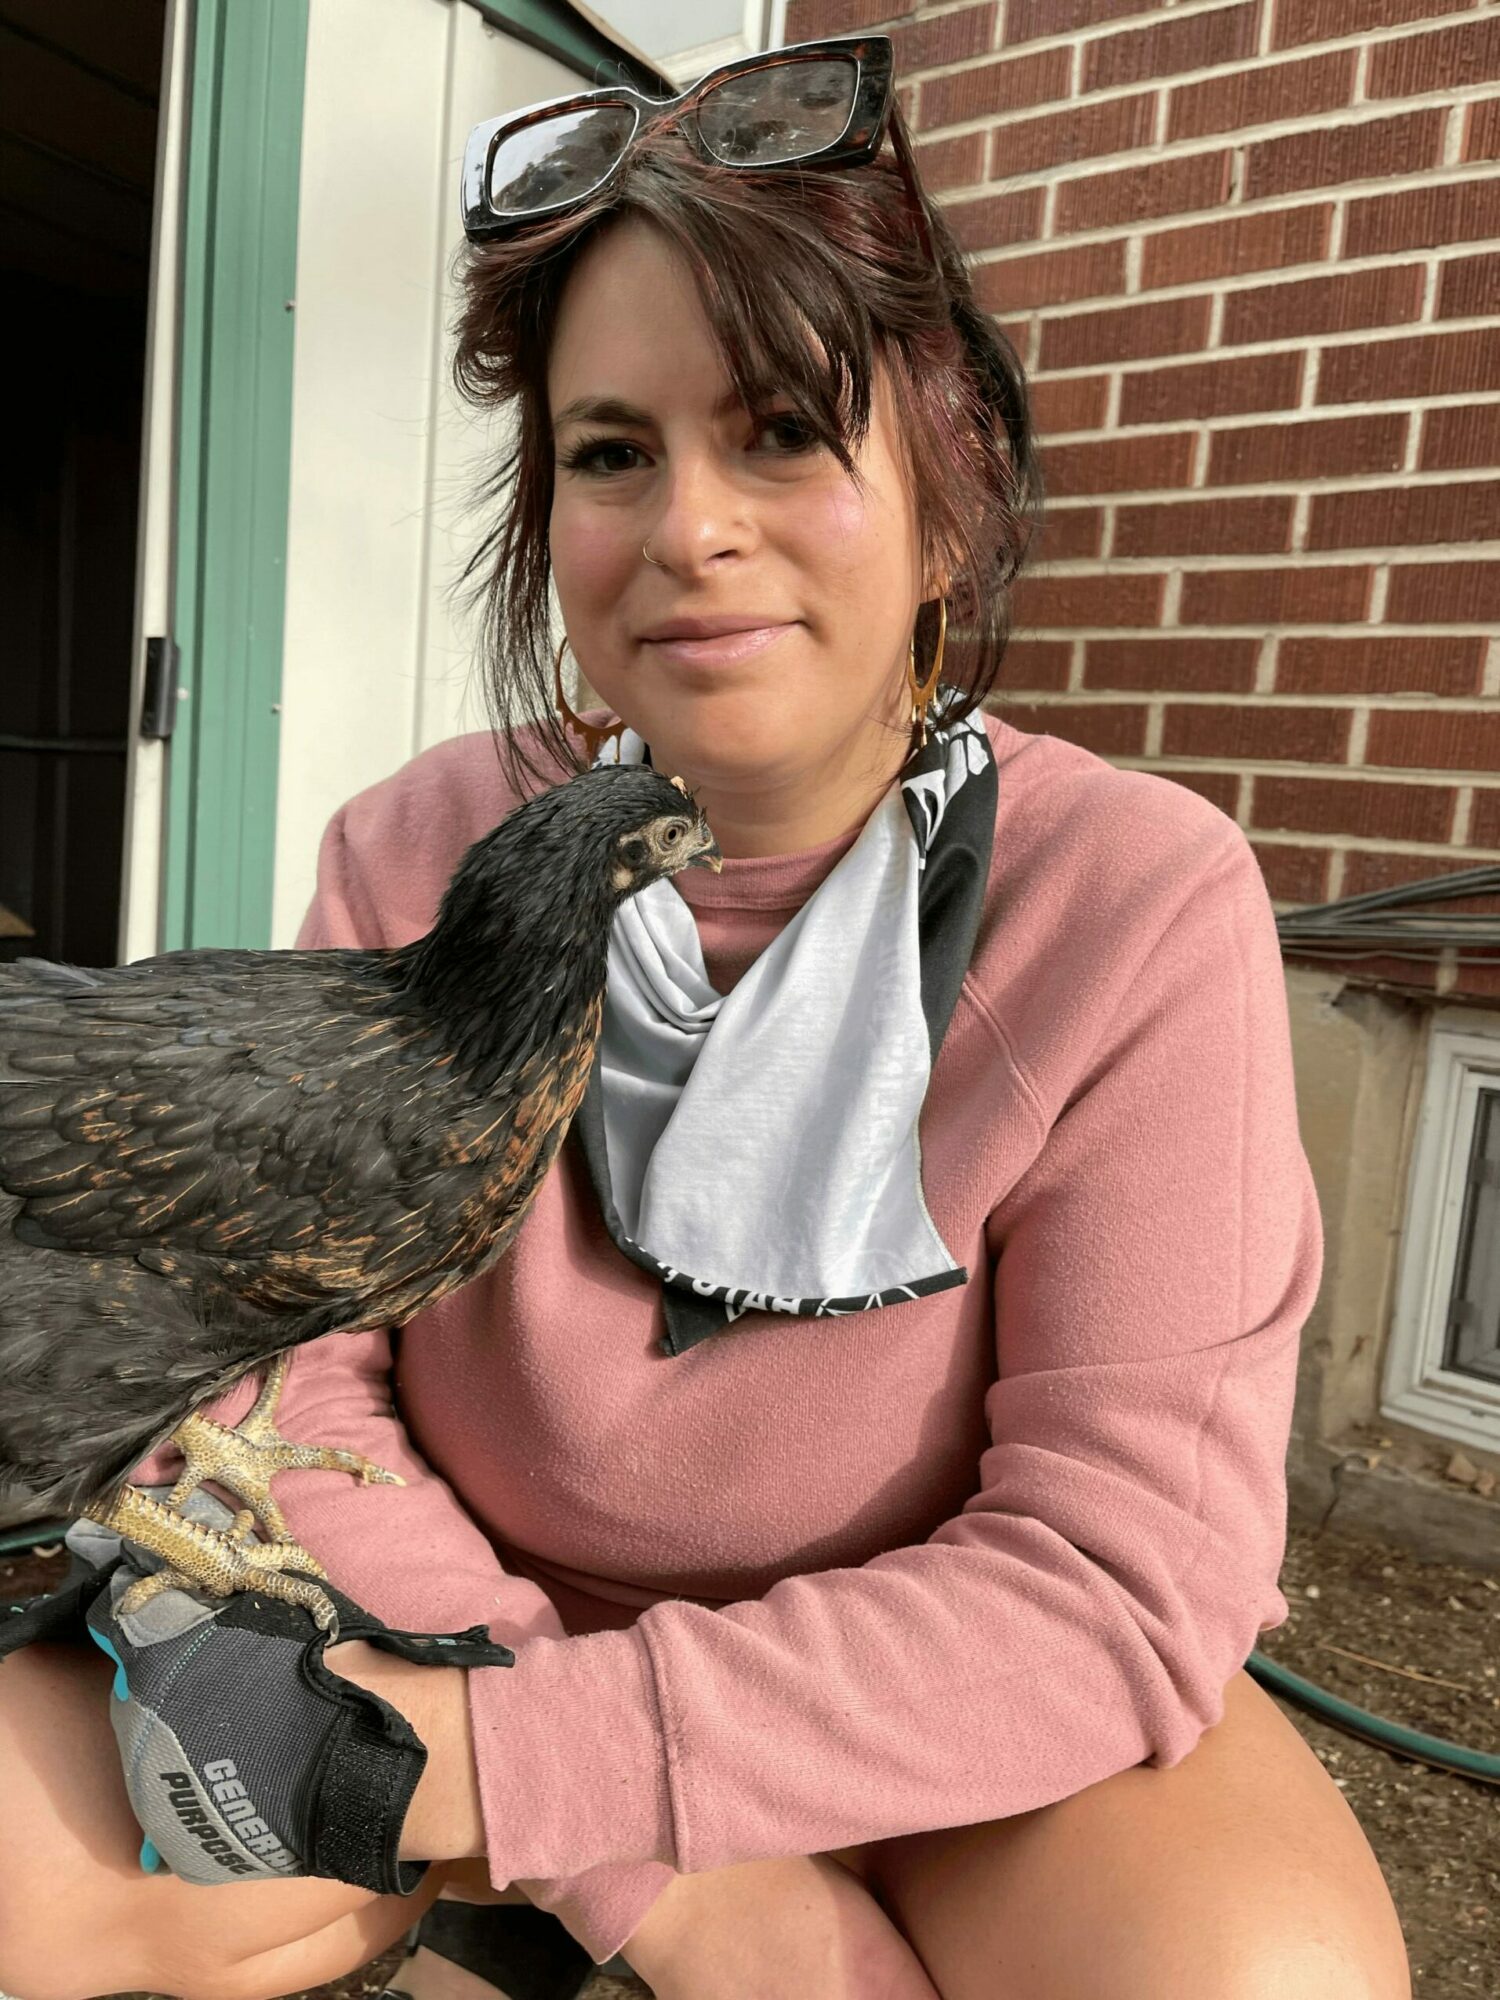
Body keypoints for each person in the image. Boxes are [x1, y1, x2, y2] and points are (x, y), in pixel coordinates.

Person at [0, 37, 1412, 2000]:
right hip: (431, 1639)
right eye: (611, 452)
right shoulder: (415, 848)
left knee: (1251, 1975)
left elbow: (1115, 1573)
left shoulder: (1132, 899)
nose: (689, 528)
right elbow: (278, 1387)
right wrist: (661, 1875)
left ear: (948, 504)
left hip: (918, 1695)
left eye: (782, 433)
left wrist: (550, 1773)